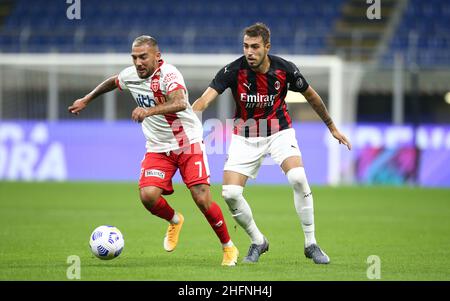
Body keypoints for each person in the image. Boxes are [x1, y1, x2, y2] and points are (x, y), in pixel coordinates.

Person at [68, 35, 239, 266]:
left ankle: (228, 247)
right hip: (158, 147)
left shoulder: (169, 74)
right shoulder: (131, 75)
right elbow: (113, 81)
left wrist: (147, 111)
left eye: (143, 57)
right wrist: (87, 99)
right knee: (148, 196)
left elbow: (179, 102)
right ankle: (175, 220)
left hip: (187, 142)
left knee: (201, 197)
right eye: (134, 57)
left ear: (157, 57)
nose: (138, 62)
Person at [192, 23, 351, 264]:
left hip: (279, 132)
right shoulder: (233, 70)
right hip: (245, 136)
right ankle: (258, 241)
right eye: (246, 46)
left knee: (298, 177)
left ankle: (311, 243)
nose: (249, 52)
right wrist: (190, 121)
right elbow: (204, 100)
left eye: (255, 47)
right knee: (230, 193)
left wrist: (332, 127)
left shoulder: (285, 69)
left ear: (267, 47)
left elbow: (312, 96)